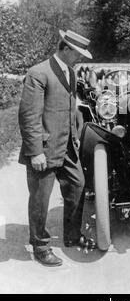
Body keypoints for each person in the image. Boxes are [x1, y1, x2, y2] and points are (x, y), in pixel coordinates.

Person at [19, 30, 94, 267]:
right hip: (44, 149)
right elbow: (29, 116)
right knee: (41, 199)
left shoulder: (70, 73)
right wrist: (35, 151)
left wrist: (77, 134)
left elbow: (71, 107)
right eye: (78, 54)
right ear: (66, 49)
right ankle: (40, 245)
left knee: (78, 185)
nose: (81, 58)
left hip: (67, 146)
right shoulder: (38, 72)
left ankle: (71, 235)